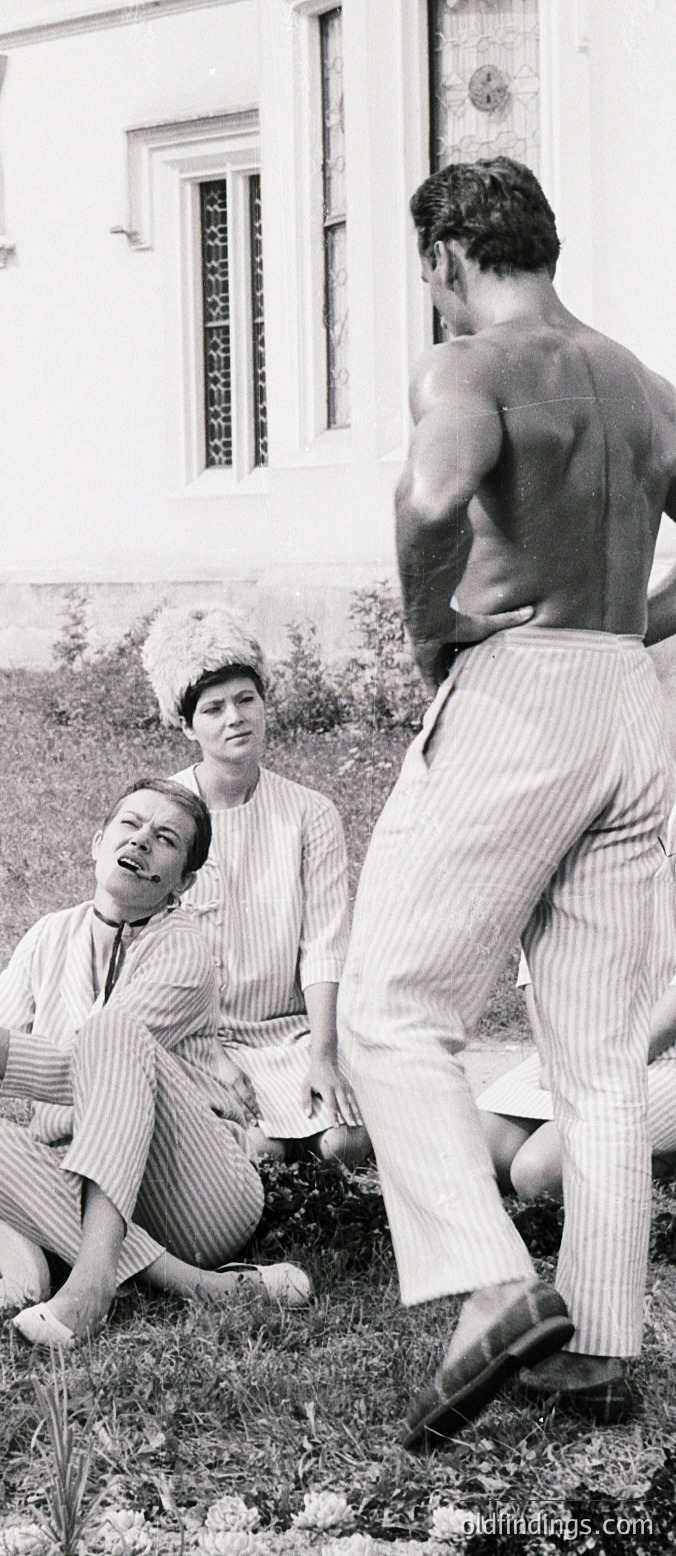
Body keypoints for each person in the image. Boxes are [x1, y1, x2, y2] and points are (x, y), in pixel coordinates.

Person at [336, 155, 676, 1447]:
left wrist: (435, 633)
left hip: (520, 692)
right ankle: (601, 1349)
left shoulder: (471, 368)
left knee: (391, 1004)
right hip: (622, 699)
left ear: (445, 264)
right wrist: (629, 628)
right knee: (597, 1063)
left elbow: (429, 497)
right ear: (549, 246)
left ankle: (490, 1293)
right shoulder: (643, 384)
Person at [0, 776, 312, 1348]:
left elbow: (74, 1071)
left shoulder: (185, 947)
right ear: (96, 842)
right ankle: (187, 1284)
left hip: (197, 1193)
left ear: (182, 882)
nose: (139, 842)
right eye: (129, 825)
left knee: (111, 1032)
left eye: (164, 838)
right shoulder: (49, 936)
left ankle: (90, 1283)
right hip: (87, 1190)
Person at [141, 605, 369, 1165]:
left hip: (291, 1033)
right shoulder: (166, 813)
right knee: (256, 1150)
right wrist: (210, 1053)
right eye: (214, 708)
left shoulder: (309, 813)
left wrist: (324, 1053)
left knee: (344, 1144)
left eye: (246, 699)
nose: (235, 718)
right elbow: (145, 949)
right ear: (187, 724)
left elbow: (323, 943)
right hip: (196, 1037)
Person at [479, 953, 676, 1205]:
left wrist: (594, 1072)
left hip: (662, 1056)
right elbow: (536, 968)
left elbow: (667, 1022)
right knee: (478, 1153)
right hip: (580, 1045)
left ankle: (661, 1164)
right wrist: (551, 1060)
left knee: (535, 1174)